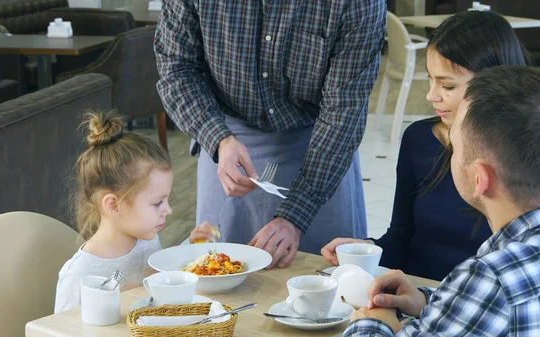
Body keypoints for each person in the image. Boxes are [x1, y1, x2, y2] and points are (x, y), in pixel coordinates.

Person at [343, 66, 540, 336]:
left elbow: (491, 296)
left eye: (455, 145)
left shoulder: (490, 279)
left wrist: (373, 322)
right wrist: (432, 300)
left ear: (479, 178)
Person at [154, 1, 386, 268]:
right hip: (227, 132)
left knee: (327, 280)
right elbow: (176, 66)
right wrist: (218, 138)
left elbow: (343, 110)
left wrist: (296, 214)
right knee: (221, 274)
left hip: (320, 141)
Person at [322, 11, 530, 281]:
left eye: (446, 85)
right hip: (414, 297)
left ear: (494, 83)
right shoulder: (419, 139)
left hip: (482, 307)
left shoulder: (529, 154)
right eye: (430, 79)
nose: (431, 95)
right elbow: (401, 237)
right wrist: (367, 250)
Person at [54, 111, 172, 313]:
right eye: (157, 203)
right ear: (113, 205)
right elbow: (57, 331)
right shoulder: (79, 274)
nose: (168, 210)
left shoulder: (148, 239)